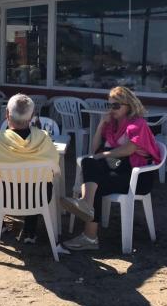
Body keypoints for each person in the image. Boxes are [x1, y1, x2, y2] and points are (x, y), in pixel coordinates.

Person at [61, 86, 161, 251]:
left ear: (128, 106)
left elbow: (128, 149)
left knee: (94, 176)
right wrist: (101, 125)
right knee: (89, 165)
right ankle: (88, 216)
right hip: (119, 168)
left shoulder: (138, 124)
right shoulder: (112, 125)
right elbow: (94, 150)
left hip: (137, 176)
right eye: (109, 105)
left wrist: (103, 155)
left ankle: (89, 229)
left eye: (116, 105)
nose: (112, 109)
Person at [0, 94, 60, 243]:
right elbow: (53, 170)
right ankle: (30, 231)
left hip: (4, 199)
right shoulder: (44, 139)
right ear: (32, 116)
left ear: (7, 114)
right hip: (38, 200)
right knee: (37, 182)